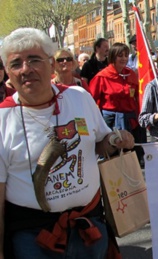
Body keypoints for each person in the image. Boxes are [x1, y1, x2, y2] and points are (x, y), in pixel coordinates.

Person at [0, 27, 134, 258]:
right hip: (34, 239)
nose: (26, 69)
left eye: (34, 60)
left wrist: (115, 139)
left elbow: (100, 142)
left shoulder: (78, 97)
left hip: (90, 227)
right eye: (16, 64)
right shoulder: (3, 119)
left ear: (51, 64)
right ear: (7, 73)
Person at [88, 42, 146, 165]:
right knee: (113, 158)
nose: (124, 58)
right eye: (120, 55)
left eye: (126, 55)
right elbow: (90, 100)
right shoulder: (102, 77)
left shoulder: (131, 74)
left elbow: (137, 96)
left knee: (132, 156)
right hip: (110, 121)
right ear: (113, 57)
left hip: (131, 120)